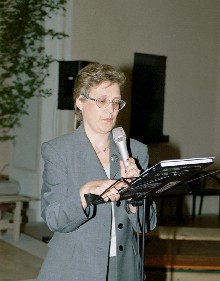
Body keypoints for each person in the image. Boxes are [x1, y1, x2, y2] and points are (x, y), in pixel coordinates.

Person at [37, 62, 157, 281]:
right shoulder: (58, 151)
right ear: (80, 101)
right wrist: (84, 193)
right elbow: (54, 219)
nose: (110, 110)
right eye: (101, 101)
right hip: (74, 268)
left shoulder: (136, 151)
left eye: (115, 102)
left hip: (124, 269)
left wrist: (134, 196)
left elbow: (146, 223)